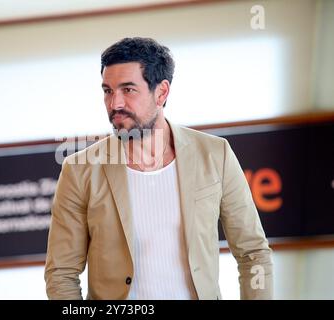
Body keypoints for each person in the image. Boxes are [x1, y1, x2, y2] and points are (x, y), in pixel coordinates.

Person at [44, 37, 273, 300]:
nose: (114, 104)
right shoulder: (79, 169)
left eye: (128, 90)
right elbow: (61, 273)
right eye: (108, 90)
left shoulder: (215, 154)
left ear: (161, 92)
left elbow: (253, 252)